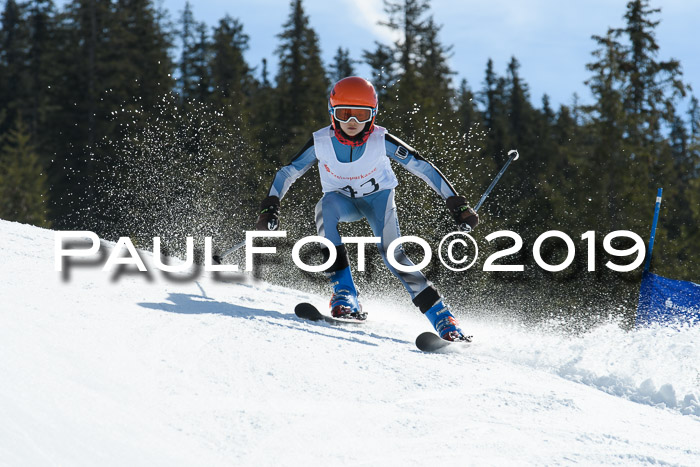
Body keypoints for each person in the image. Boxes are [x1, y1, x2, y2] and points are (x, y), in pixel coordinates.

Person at [255, 76, 477, 342]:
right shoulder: (321, 142)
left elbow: (423, 167)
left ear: (372, 116)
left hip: (378, 200)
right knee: (323, 209)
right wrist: (271, 206)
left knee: (393, 255)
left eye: (361, 115)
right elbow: (287, 172)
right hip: (341, 201)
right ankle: (345, 295)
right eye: (345, 114)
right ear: (332, 113)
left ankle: (443, 318)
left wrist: (456, 202)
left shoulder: (381, 140)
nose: (352, 123)